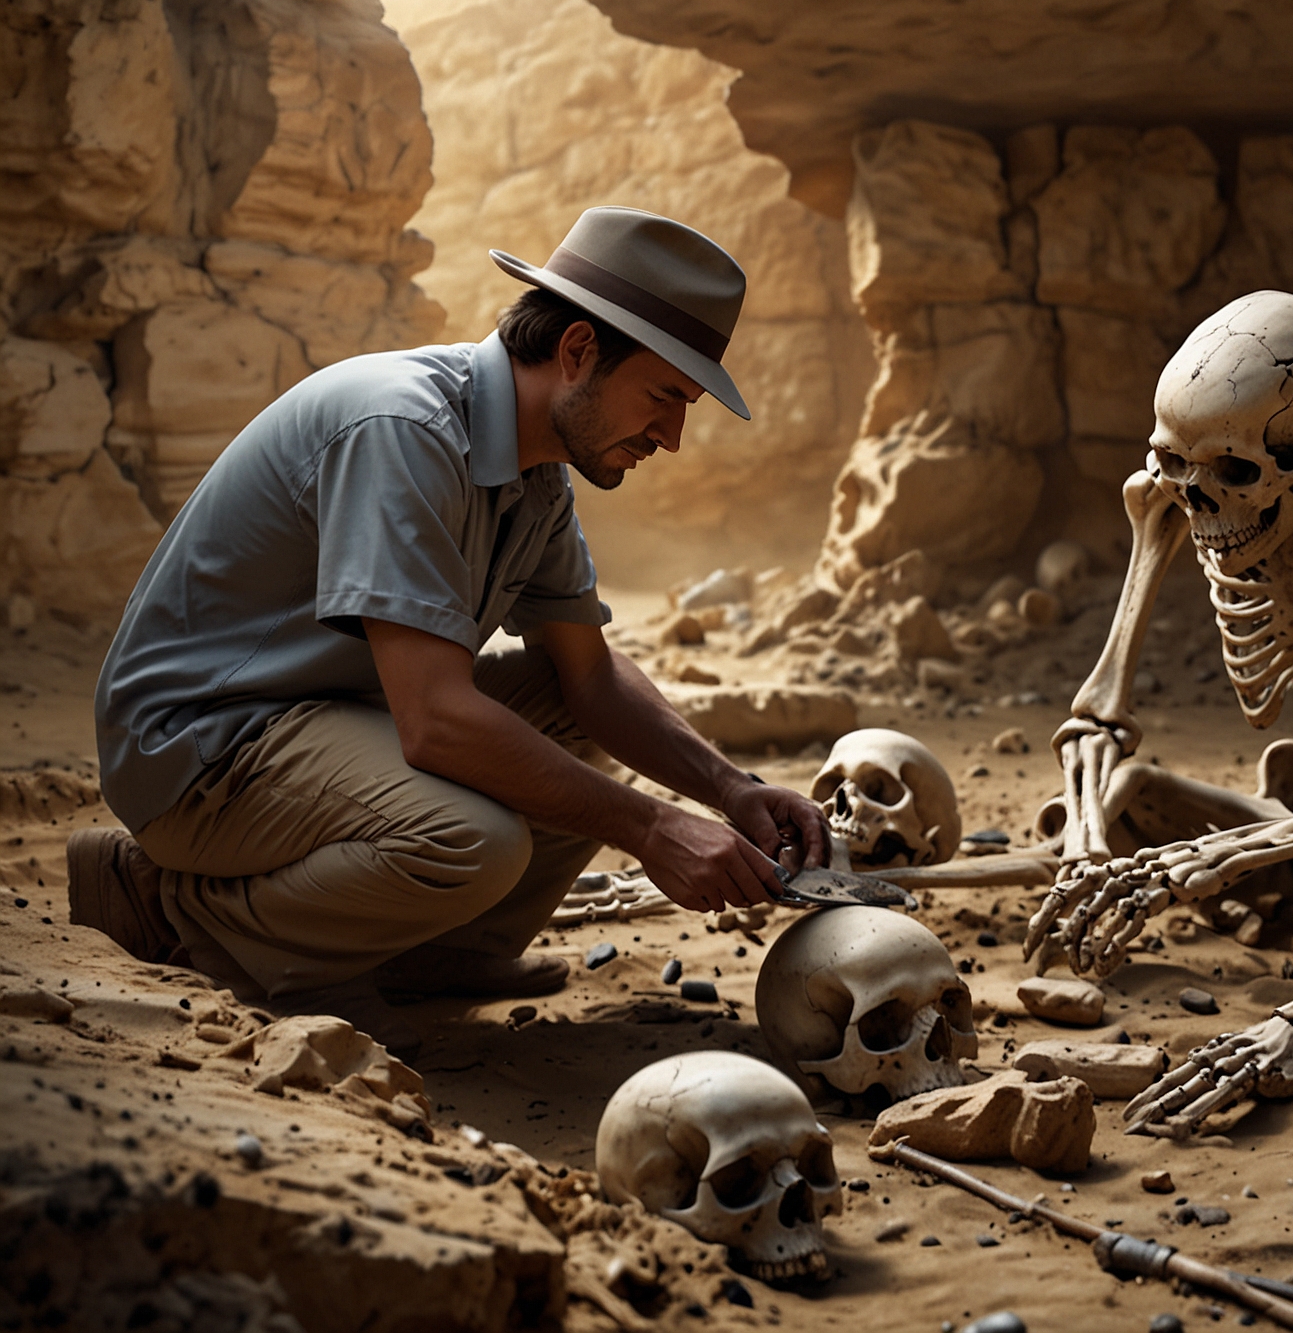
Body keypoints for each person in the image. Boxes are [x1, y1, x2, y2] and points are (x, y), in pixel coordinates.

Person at [70, 207, 828, 1056]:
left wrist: (730, 789)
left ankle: (434, 954)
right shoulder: (405, 429)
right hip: (200, 748)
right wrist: (651, 828)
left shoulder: (537, 476)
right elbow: (433, 719)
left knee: (565, 711)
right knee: (472, 841)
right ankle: (165, 908)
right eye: (663, 397)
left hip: (321, 719)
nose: (673, 438)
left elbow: (591, 679)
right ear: (577, 351)